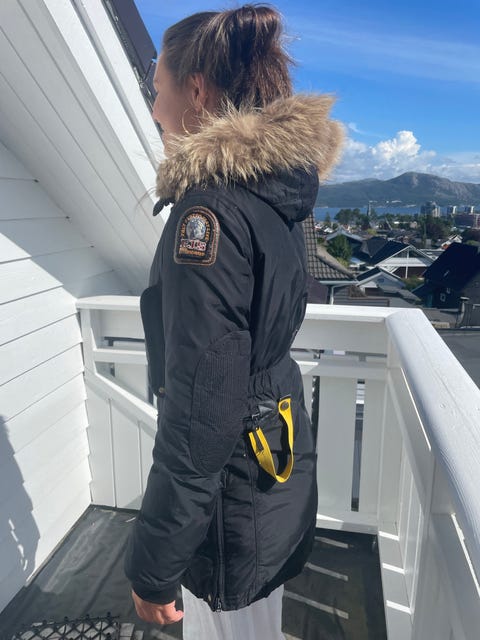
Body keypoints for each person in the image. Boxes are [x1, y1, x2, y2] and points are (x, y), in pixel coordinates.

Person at [124, 5, 344, 639]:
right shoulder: (269, 193)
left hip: (233, 500)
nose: (154, 108)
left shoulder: (209, 216)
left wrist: (153, 569)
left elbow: (200, 418)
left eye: (158, 89)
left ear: (195, 92)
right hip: (266, 468)